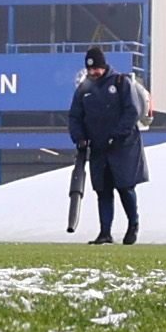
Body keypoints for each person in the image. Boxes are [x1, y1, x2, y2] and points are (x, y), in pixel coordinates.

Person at [63, 47, 146, 243]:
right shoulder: (83, 90)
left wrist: (117, 136)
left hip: (122, 147)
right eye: (90, 70)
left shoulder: (121, 82)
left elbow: (132, 112)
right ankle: (105, 233)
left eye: (96, 69)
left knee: (125, 188)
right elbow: (75, 117)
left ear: (104, 66)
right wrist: (80, 139)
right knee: (103, 191)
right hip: (99, 149)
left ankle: (133, 224)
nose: (93, 73)